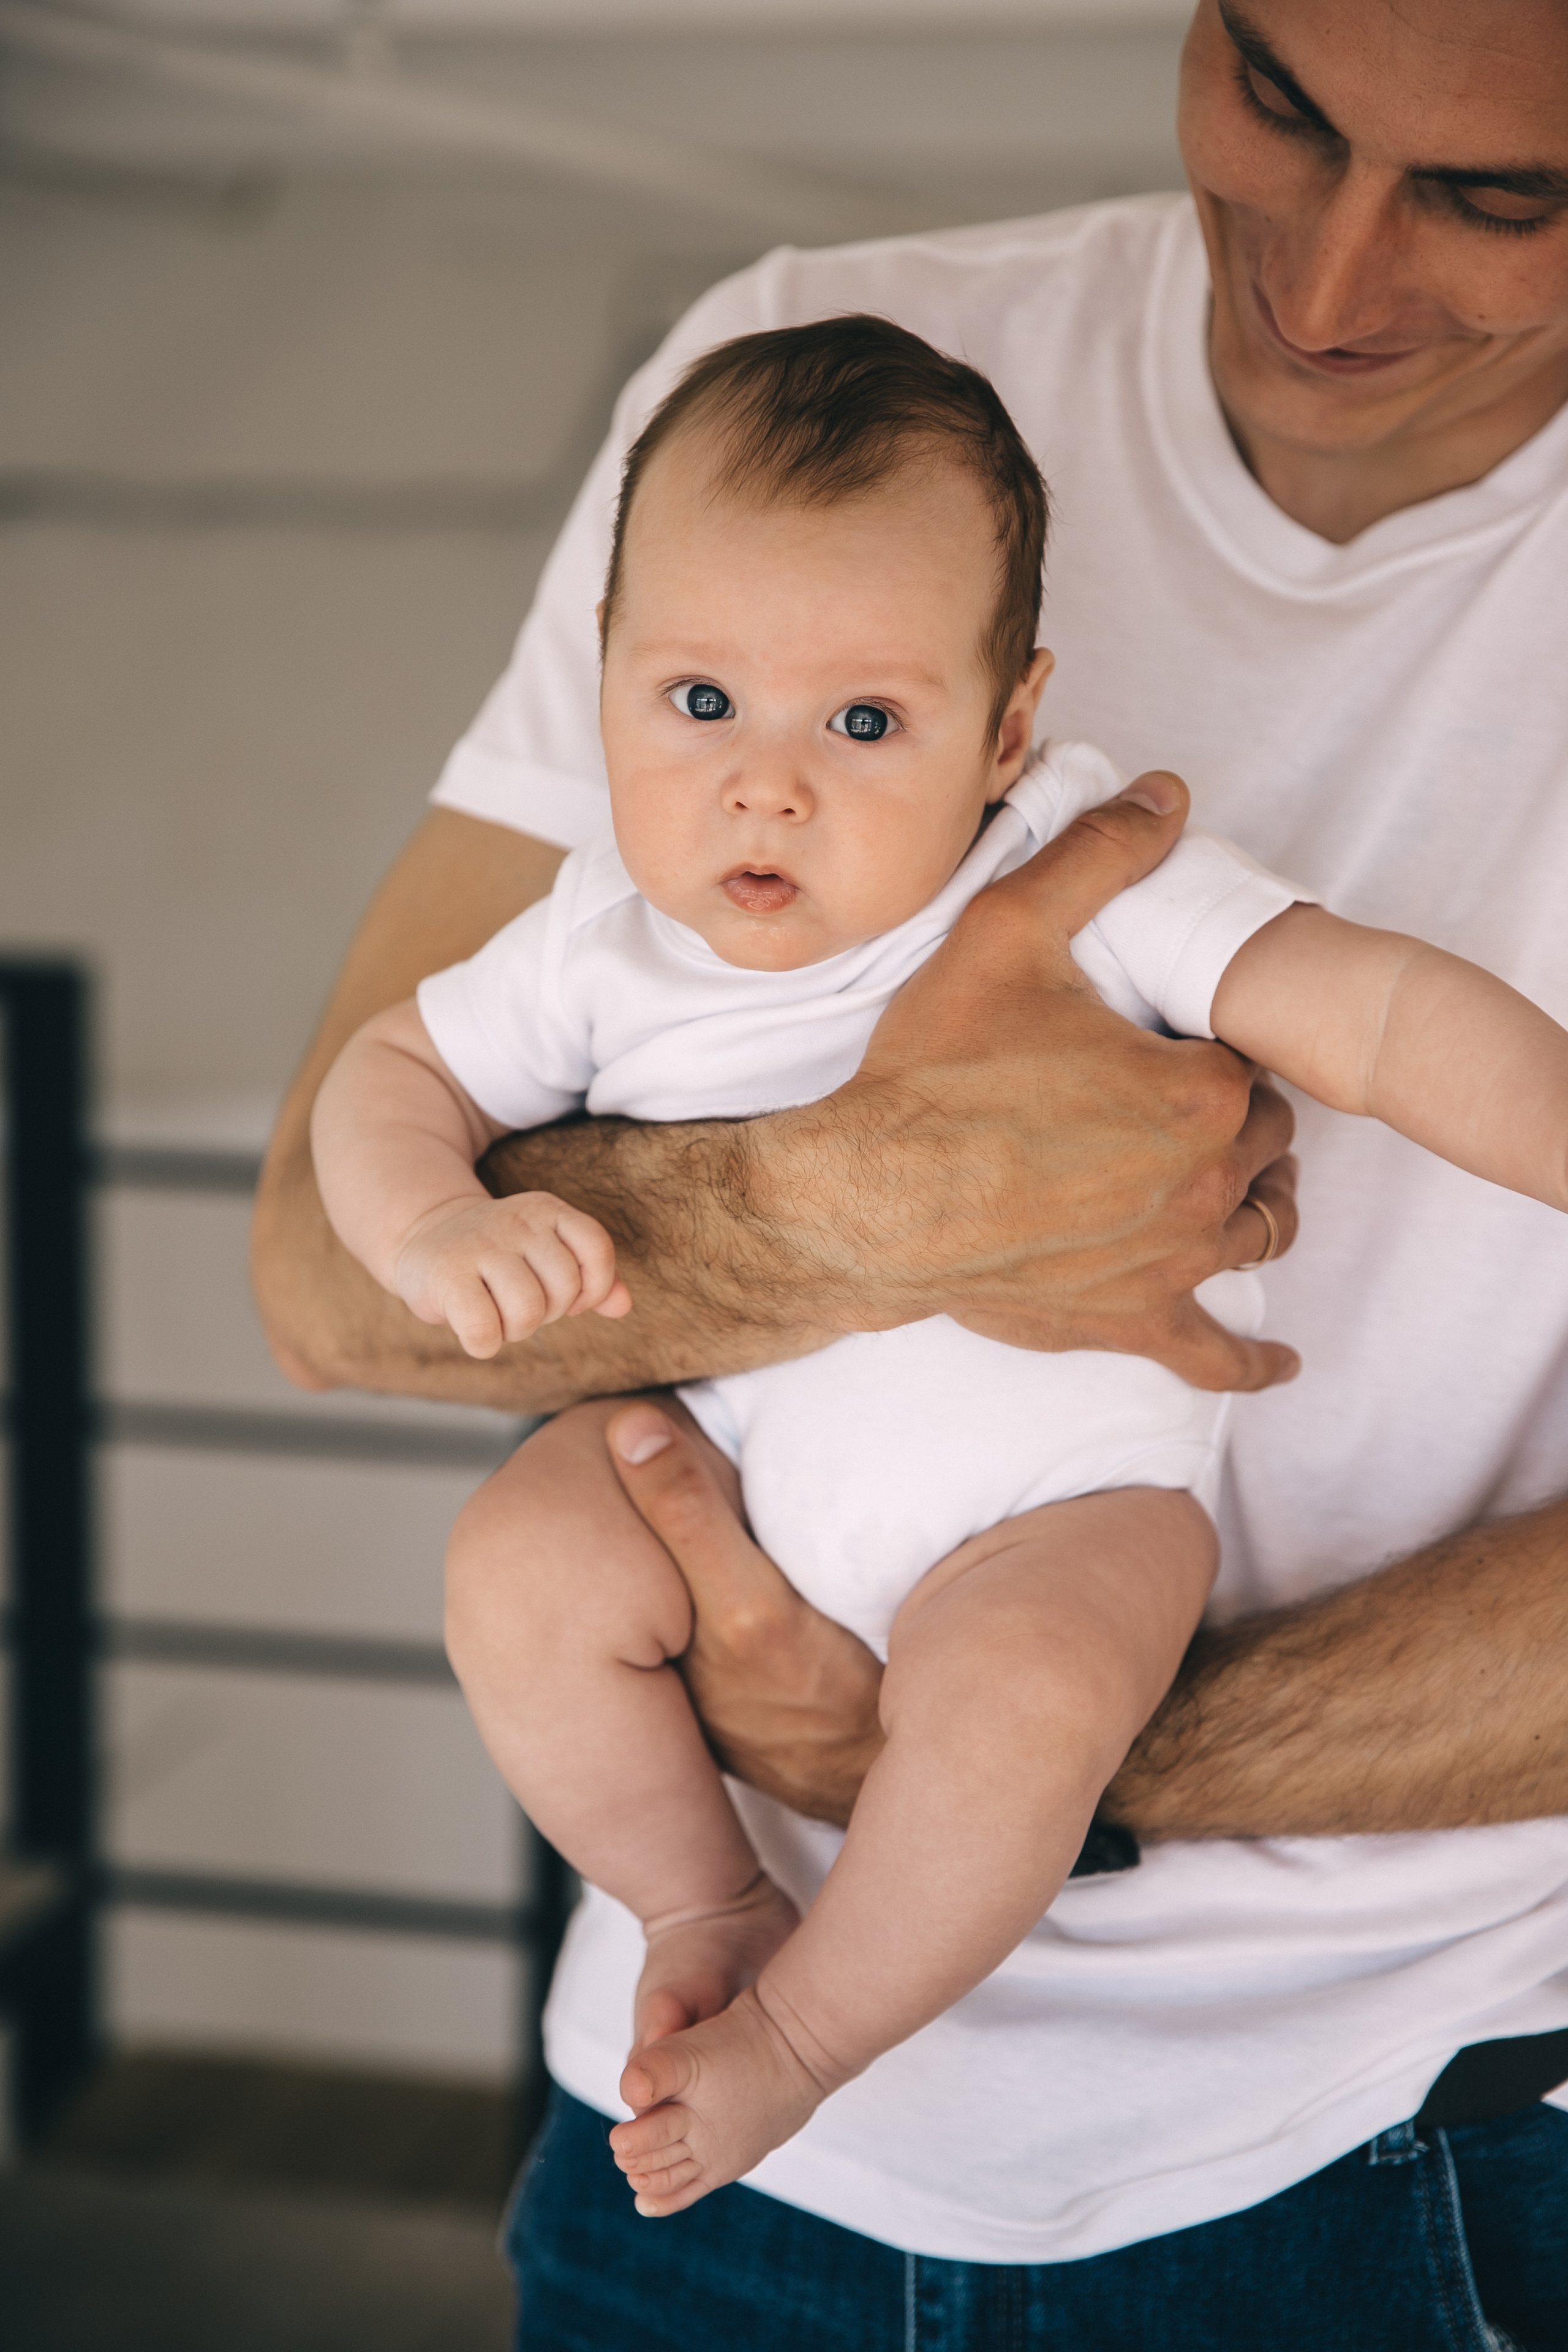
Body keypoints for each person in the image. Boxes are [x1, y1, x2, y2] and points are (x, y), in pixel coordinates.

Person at [252, 1, 1568, 2340]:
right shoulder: (768, 452)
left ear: (1007, 723)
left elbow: (1367, 1013)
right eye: (1278, 94)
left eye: (1503, 192)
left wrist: (991, 1739)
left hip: (1380, 2113)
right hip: (680, 2147)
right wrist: (801, 1209)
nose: (1338, 275)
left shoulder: (1065, 857)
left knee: (1023, 1680)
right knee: (526, 1571)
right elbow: (347, 1210)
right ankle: (704, 1923)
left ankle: (815, 2017)